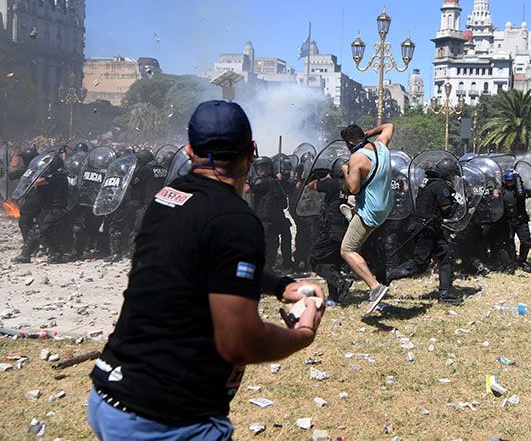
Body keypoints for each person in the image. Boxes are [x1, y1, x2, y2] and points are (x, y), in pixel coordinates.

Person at [88, 100, 325, 440]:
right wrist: (300, 335)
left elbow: (205, 262)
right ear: (252, 151)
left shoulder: (167, 198)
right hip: (165, 417)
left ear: (189, 150)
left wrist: (280, 285)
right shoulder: (235, 220)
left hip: (109, 395)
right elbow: (239, 342)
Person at [385, 158, 463, 305]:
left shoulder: (428, 181)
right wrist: (457, 205)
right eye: (452, 175)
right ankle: (388, 276)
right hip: (427, 228)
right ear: (447, 174)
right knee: (420, 264)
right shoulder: (440, 186)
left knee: (446, 254)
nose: (453, 179)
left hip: (428, 226)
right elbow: (446, 211)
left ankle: (445, 294)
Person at [339, 123, 395, 314]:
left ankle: (375, 287)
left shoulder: (357, 158)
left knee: (347, 250)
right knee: (354, 207)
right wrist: (368, 133)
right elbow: (389, 126)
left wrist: (346, 170)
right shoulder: (381, 145)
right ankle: (352, 214)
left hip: (371, 211)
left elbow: (353, 188)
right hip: (386, 204)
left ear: (349, 143)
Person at [307, 157, 353, 302]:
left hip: (331, 230)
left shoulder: (332, 183)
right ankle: (335, 296)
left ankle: (341, 282)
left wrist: (320, 177)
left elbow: (311, 185)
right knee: (331, 262)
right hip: (345, 230)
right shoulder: (351, 184)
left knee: (314, 258)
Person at [13, 154, 68, 263]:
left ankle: (56, 252)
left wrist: (35, 173)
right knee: (34, 230)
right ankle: (25, 255)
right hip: (47, 209)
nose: (46, 168)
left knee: (42, 231)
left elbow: (37, 182)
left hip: (56, 210)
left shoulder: (58, 176)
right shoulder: (52, 175)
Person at [501, 169, 531, 273]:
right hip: (507, 221)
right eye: (507, 181)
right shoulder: (501, 190)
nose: (509, 183)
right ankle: (511, 263)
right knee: (509, 242)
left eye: (511, 181)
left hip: (521, 219)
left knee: (526, 242)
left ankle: (522, 260)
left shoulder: (521, 191)